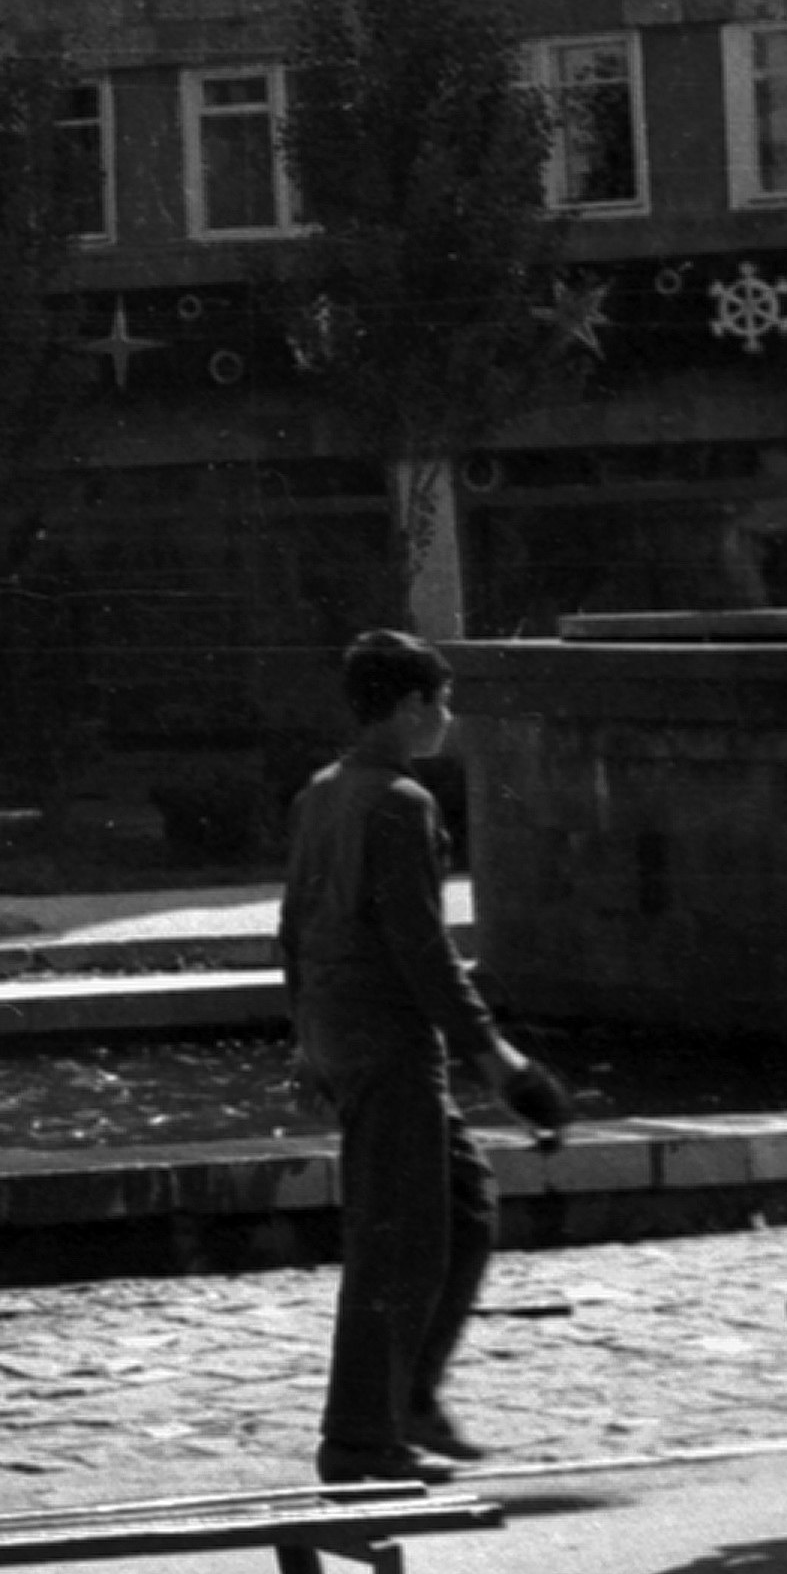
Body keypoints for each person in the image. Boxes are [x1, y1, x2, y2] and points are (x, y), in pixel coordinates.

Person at [280, 627, 570, 1488]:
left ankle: (406, 1396)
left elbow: (292, 929)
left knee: (465, 1203)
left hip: (342, 1032)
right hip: (390, 1041)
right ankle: (359, 1435)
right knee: (395, 1241)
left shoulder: (320, 793)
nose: (448, 716)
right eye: (441, 701)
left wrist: (305, 1039)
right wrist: (497, 1059)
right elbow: (423, 951)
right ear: (409, 705)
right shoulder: (401, 802)